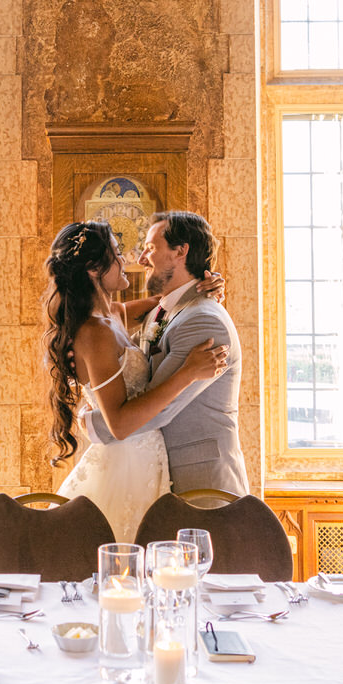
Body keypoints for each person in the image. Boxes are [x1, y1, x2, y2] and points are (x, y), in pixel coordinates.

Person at [44, 220, 228, 542]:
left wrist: (209, 287)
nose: (127, 260)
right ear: (93, 269)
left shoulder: (114, 315)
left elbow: (170, 306)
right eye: (117, 254)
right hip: (124, 465)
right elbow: (118, 424)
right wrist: (188, 372)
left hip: (147, 459)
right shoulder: (95, 333)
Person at [82, 210, 250, 496]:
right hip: (154, 477)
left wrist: (91, 423)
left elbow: (158, 411)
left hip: (200, 484)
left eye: (149, 248)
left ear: (180, 251)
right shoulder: (160, 311)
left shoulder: (203, 319)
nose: (140, 259)